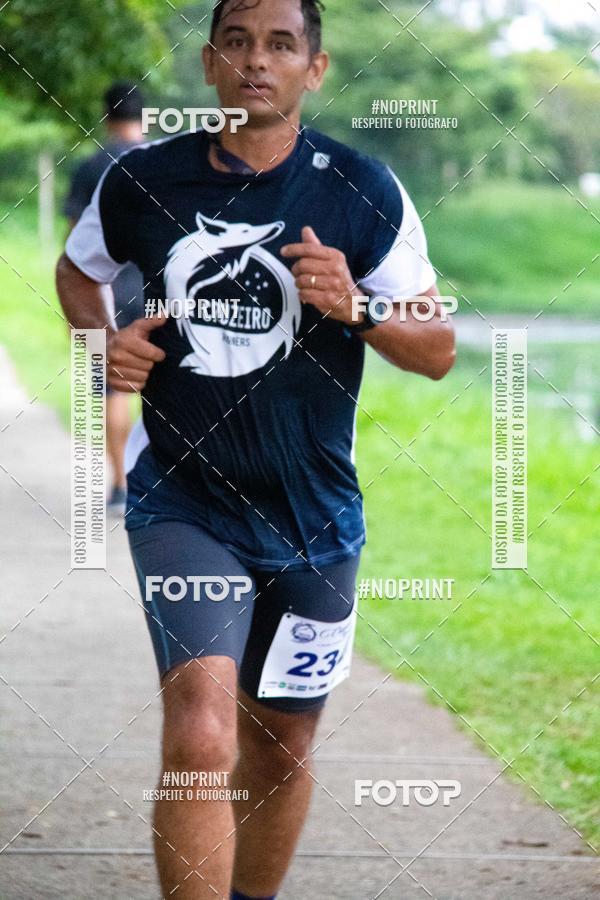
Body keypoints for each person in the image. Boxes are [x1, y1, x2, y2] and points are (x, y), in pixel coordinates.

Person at [56, 1, 456, 896]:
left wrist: (358, 306)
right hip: (184, 502)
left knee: (282, 744)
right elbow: (79, 272)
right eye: (236, 43)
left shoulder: (361, 188)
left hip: (314, 517)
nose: (257, 62)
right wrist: (101, 343)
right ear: (209, 63)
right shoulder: (144, 180)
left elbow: (437, 349)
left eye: (281, 44)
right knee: (201, 734)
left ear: (315, 67)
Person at [63, 81, 146, 512]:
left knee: (114, 390)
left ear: (107, 116)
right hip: (158, 291)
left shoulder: (91, 167)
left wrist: (74, 315)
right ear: (144, 116)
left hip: (105, 294)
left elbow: (76, 248)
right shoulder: (162, 163)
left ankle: (122, 484)